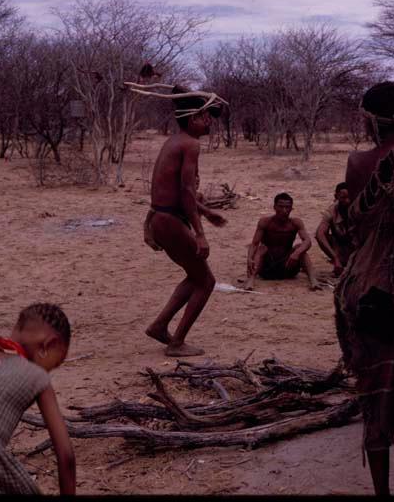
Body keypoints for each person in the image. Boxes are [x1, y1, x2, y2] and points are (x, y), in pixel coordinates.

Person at [334, 81, 394, 495]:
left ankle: (382, 491)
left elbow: (353, 229)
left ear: (370, 121)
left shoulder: (358, 162)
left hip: (371, 288)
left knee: (374, 399)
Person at [126, 80, 229, 357]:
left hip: (163, 219)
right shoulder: (190, 145)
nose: (209, 122)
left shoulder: (175, 141)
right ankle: (176, 342)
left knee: (195, 276)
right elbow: (183, 191)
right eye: (206, 116)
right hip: (169, 221)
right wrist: (200, 233)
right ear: (194, 118)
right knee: (205, 282)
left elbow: (170, 191)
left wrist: (206, 213)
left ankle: (160, 326)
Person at [0, 303, 76, 495]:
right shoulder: (37, 377)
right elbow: (66, 456)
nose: (50, 370)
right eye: (56, 362)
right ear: (48, 346)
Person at [246, 192, 319, 291]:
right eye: (280, 207)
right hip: (267, 267)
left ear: (291, 208)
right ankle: (251, 279)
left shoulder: (295, 223)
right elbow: (254, 243)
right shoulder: (265, 222)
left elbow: (307, 241)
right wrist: (250, 258)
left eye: (287, 207)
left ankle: (313, 280)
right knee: (262, 248)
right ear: (274, 207)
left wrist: (296, 254)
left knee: (300, 248)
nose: (284, 210)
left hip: (287, 265)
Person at [315, 182, 353, 277]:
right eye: (343, 198)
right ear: (336, 196)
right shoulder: (332, 210)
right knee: (325, 237)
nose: (347, 201)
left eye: (349, 197)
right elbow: (319, 234)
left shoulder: (358, 209)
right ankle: (339, 262)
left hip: (359, 250)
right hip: (342, 249)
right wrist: (335, 258)